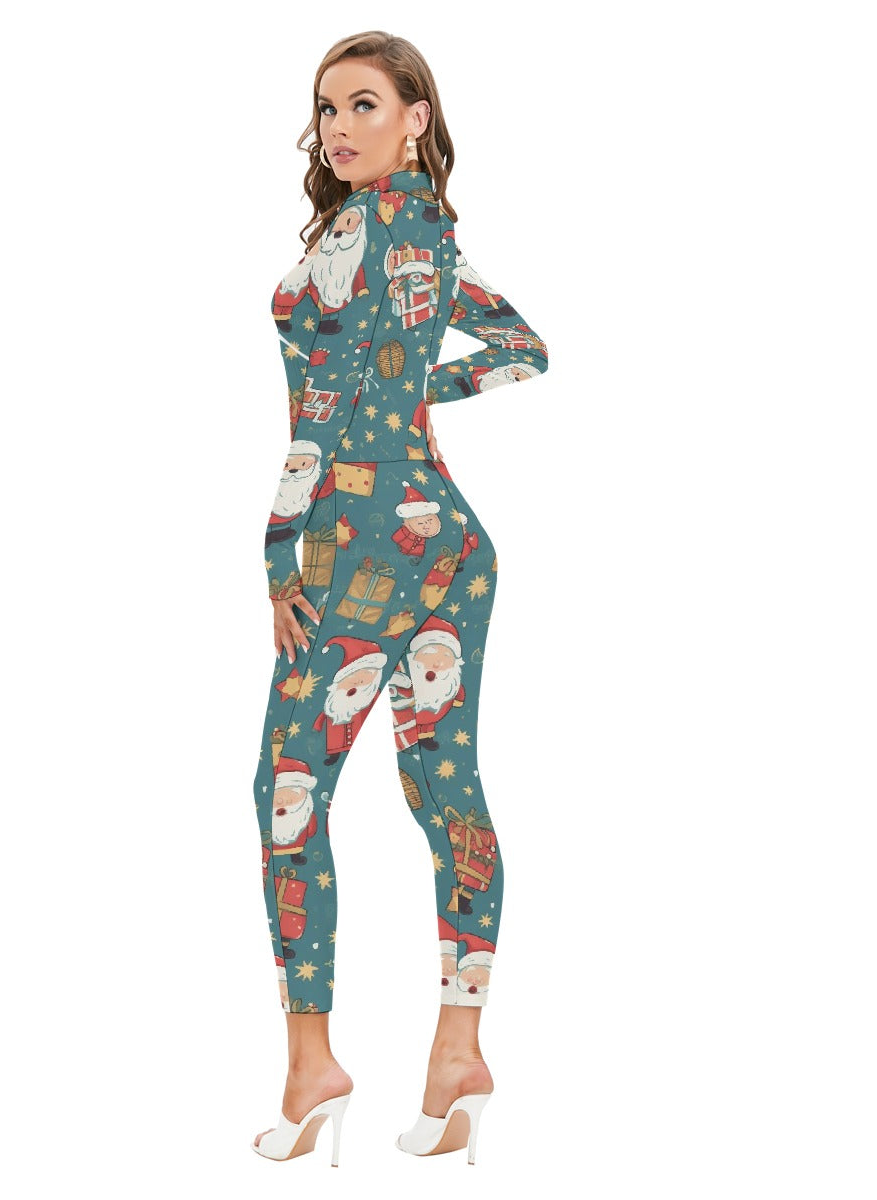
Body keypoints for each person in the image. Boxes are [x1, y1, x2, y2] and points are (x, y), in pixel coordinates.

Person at [250, 31, 549, 1164]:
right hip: (449, 544)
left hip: (355, 542)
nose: (338, 127)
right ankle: (458, 1050)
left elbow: (320, 414)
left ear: (416, 117)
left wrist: (277, 548)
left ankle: (311, 1067)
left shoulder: (364, 232)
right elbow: (521, 349)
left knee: (287, 793)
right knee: (444, 790)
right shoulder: (425, 230)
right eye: (327, 107)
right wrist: (413, 389)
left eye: (364, 105)